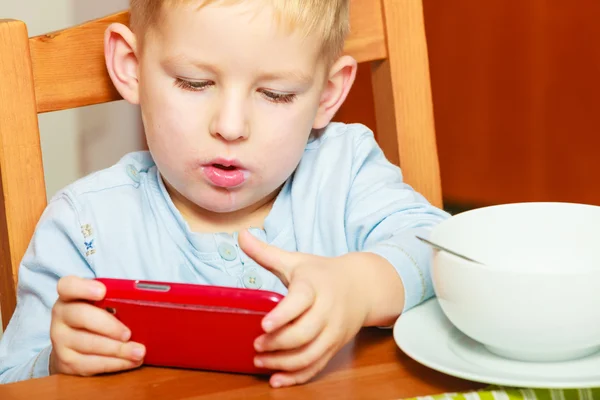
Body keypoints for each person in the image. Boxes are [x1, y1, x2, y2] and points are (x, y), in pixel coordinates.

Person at [0, 0, 449, 388]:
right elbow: (13, 380)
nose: (231, 127)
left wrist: (359, 287)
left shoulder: (344, 171)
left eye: (276, 94)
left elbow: (442, 248)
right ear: (131, 67)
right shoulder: (86, 226)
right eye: (195, 83)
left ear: (327, 95)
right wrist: (57, 362)